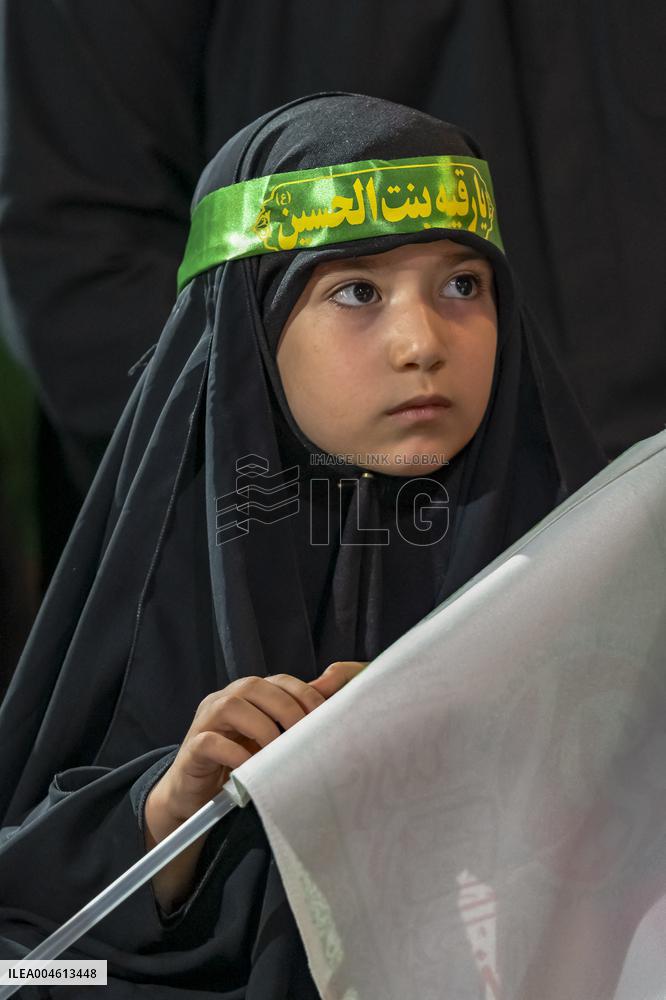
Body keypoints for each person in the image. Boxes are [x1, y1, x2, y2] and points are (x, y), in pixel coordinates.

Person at [0, 93, 606, 998]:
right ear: (249, 328)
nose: (423, 343)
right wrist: (172, 818)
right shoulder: (149, 620)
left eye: (462, 285)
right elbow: (30, 960)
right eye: (357, 290)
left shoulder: (610, 587)